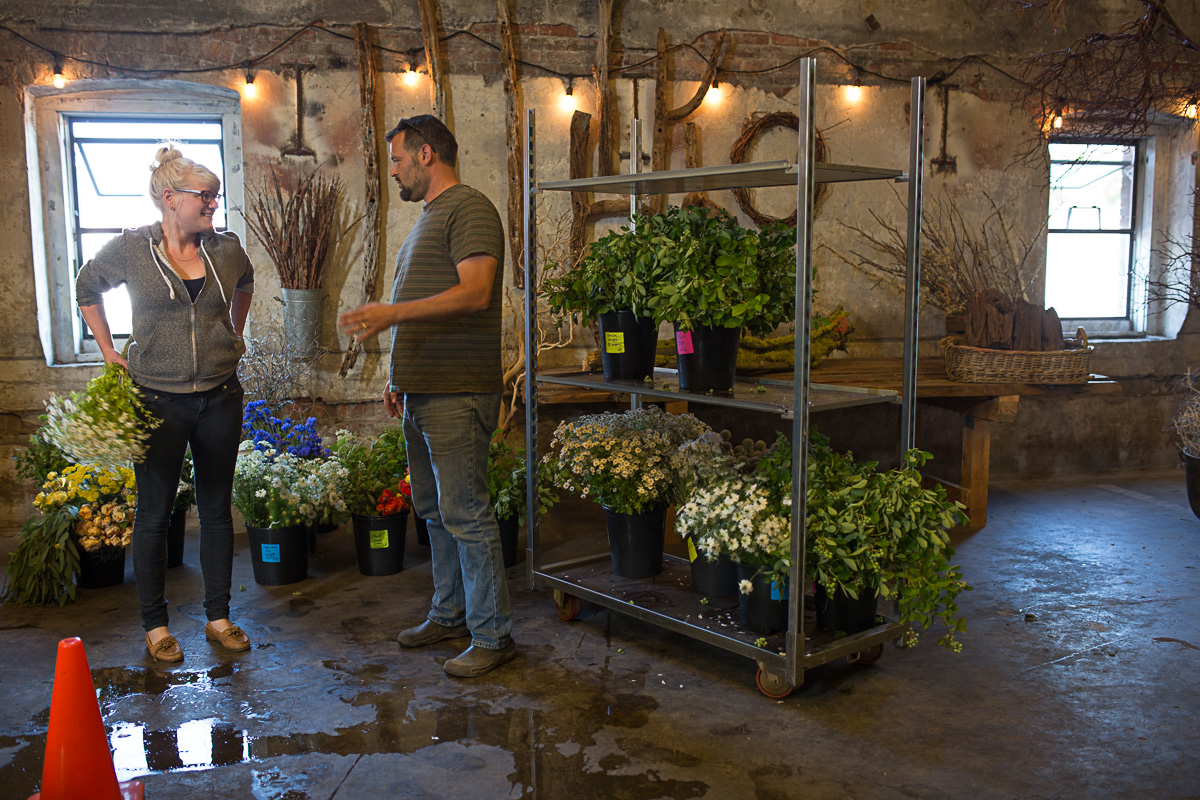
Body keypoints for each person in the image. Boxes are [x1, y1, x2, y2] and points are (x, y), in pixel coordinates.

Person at [338, 114, 514, 678]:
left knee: (467, 514)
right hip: (423, 392)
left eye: (397, 160)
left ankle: (493, 635)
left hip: (458, 393)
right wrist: (398, 375)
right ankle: (450, 614)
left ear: (427, 154)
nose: (392, 171)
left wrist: (388, 315)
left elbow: (475, 293)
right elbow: (423, 300)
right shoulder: (432, 218)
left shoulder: (470, 209)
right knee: (435, 512)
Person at [76, 145, 254, 664]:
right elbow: (88, 284)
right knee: (153, 515)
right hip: (158, 400)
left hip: (220, 395)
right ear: (170, 199)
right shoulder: (133, 249)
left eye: (216, 197)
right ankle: (156, 626)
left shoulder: (225, 249)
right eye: (206, 196)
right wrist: (109, 349)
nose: (213, 205)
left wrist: (233, 333)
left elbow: (245, 283)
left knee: (217, 509)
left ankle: (217, 617)